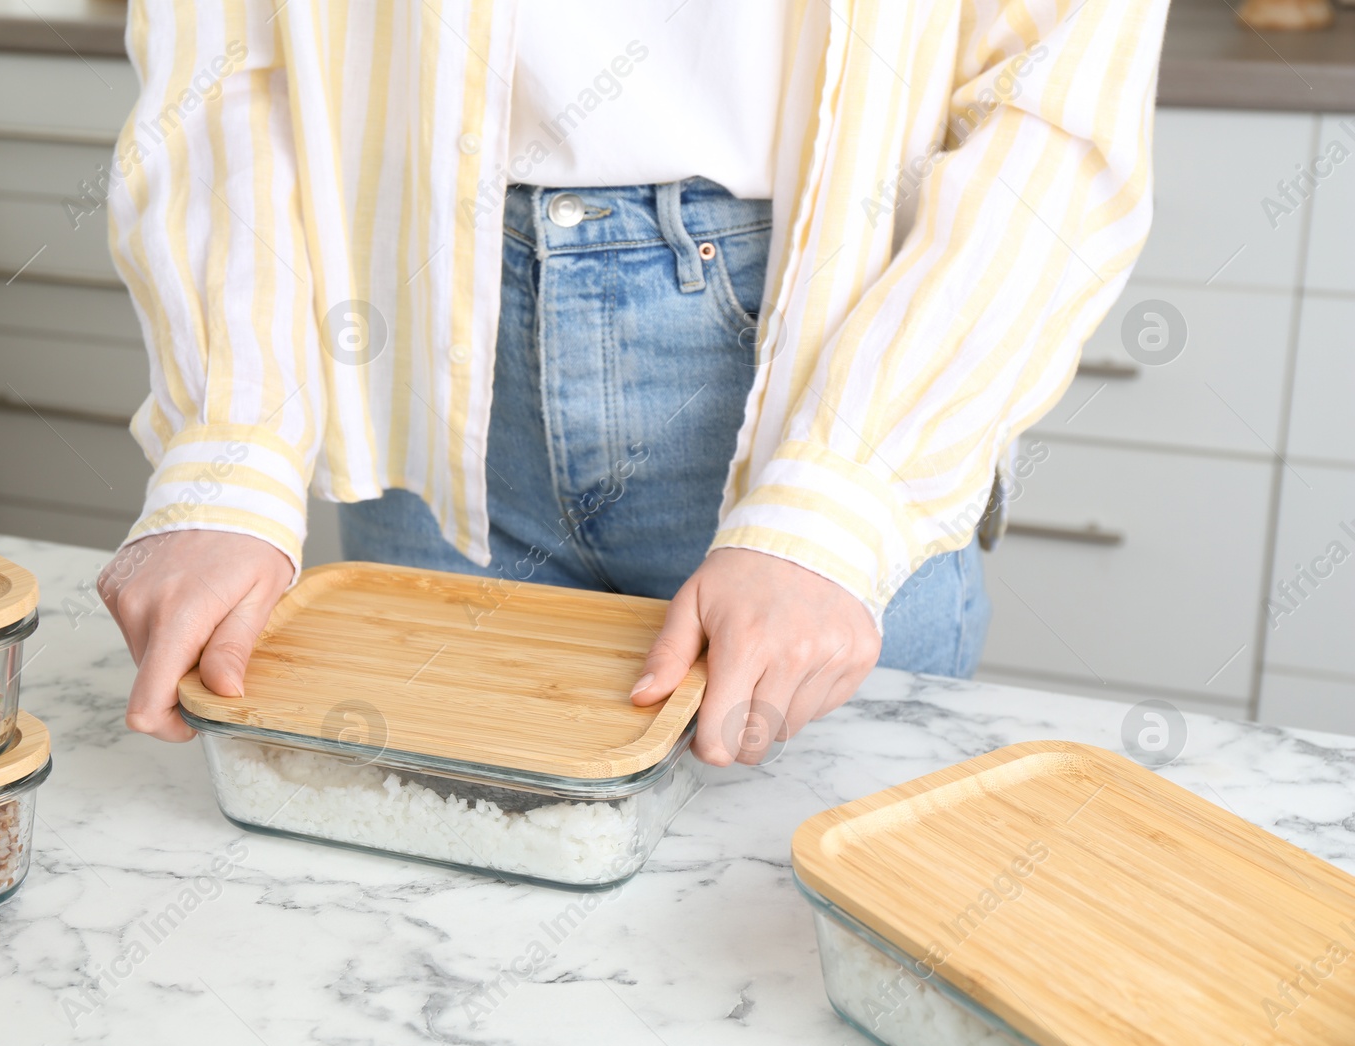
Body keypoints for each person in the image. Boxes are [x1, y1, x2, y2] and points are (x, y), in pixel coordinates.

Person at [96, 0, 1169, 766]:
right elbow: (227, 60)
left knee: (790, 938)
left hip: (828, 367)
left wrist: (838, 503)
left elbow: (1056, 105)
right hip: (419, 375)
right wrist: (228, 442)